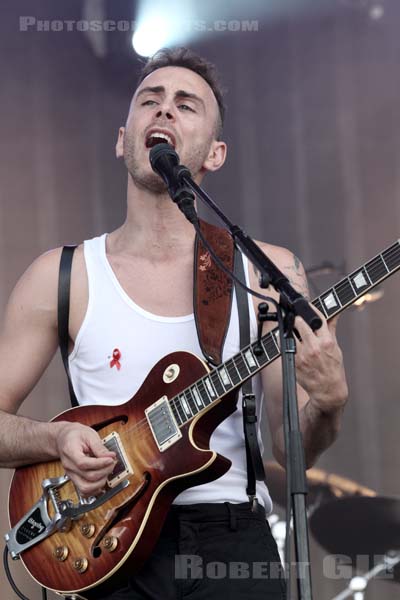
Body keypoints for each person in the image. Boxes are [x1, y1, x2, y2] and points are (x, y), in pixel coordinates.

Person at [0, 48, 348, 599]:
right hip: (106, 544)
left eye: (185, 105)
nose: (163, 112)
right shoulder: (62, 276)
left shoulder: (267, 272)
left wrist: (326, 404)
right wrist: (55, 436)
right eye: (150, 101)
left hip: (229, 545)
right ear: (123, 138)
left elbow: (290, 446)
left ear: (215, 153)